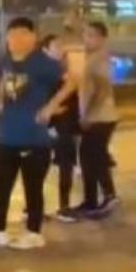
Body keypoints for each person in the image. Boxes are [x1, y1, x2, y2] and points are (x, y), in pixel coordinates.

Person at [0, 17, 76, 250]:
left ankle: (33, 232)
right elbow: (3, 85)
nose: (15, 39)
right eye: (11, 35)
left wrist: (50, 107)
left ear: (32, 36)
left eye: (21, 34)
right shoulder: (6, 60)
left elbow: (71, 82)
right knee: (0, 185)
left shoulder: (43, 63)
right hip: (7, 136)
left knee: (32, 187)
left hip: (34, 138)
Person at [76, 20, 119, 217]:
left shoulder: (100, 58)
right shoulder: (94, 57)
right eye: (86, 34)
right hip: (99, 115)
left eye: (92, 35)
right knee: (90, 157)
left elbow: (100, 90)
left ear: (102, 38)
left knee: (94, 157)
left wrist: (86, 114)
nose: (87, 39)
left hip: (100, 117)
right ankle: (92, 200)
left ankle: (107, 196)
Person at [41, 34, 82, 222]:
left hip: (68, 124)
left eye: (61, 45)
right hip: (55, 126)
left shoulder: (62, 69)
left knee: (66, 164)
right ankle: (60, 208)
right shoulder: (44, 73)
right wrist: (51, 112)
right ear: (45, 50)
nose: (61, 49)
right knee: (44, 165)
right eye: (56, 46)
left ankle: (62, 206)